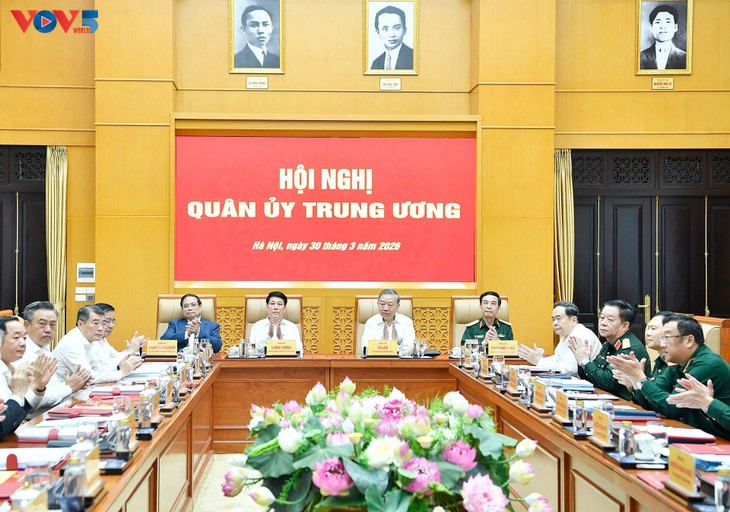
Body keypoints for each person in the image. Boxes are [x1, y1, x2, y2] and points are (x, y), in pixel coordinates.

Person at [632, 314, 730, 438]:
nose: (662, 344)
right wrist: (635, 380)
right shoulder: (680, 361)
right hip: (696, 432)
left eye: (667, 338)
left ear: (689, 341)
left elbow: (671, 408)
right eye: (662, 338)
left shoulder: (706, 364)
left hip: (718, 438)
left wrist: (641, 378)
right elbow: (653, 404)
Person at [569, 299, 650, 401]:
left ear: (625, 325)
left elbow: (608, 383)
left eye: (610, 320)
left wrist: (585, 361)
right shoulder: (609, 343)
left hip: (626, 402)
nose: (603, 323)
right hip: (606, 397)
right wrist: (581, 360)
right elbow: (590, 376)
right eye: (602, 318)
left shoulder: (629, 349)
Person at [20, 301, 92, 410]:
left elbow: (53, 389)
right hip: (37, 415)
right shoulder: (22, 352)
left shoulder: (45, 348)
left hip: (56, 408)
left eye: (52, 325)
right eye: (42, 324)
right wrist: (69, 388)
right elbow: (32, 402)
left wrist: (70, 385)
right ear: (26, 325)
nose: (48, 329)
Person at [54, 305, 142, 384]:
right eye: (95, 323)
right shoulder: (72, 342)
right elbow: (88, 377)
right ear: (80, 324)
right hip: (62, 394)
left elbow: (98, 369)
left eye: (103, 324)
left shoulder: (89, 341)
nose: (100, 328)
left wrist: (119, 367)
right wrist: (121, 372)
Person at [0, 316, 55, 439]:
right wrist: (17, 394)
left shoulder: (9, 367)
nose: (23, 343)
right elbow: (3, 424)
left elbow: (17, 409)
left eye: (24, 338)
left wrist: (38, 387)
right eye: (16, 337)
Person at [606, 311, 673, 407]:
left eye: (653, 329)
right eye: (648, 328)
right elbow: (647, 404)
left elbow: (667, 406)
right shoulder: (659, 361)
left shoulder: (674, 363)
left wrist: (639, 378)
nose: (648, 333)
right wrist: (634, 384)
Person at [517, 301, 600, 376]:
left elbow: (570, 369)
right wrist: (540, 358)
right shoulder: (566, 335)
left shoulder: (579, 334)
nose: (555, 323)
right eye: (553, 319)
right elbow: (558, 359)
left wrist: (539, 361)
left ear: (573, 320)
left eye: (558, 319)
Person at [94, 303, 148, 369]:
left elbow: (116, 357)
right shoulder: (93, 341)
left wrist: (131, 349)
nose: (111, 325)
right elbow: (106, 367)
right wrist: (130, 350)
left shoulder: (102, 340)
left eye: (113, 322)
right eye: (108, 321)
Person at [639, 5, 687, 70]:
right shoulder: (640, 57)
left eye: (668, 22)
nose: (663, 26)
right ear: (651, 28)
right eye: (658, 22)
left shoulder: (685, 57)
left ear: (675, 27)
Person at [369, 5, 414, 70]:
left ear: (404, 30)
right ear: (378, 32)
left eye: (397, 28)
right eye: (385, 29)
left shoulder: (414, 57)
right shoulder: (376, 63)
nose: (392, 34)